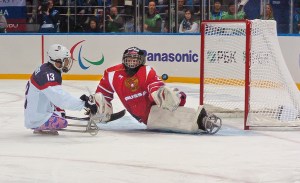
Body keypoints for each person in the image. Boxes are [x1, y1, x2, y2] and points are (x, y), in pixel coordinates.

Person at [89, 46, 222, 134]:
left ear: (141, 61)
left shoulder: (146, 70)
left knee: (170, 98)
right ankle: (100, 115)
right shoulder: (111, 73)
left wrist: (159, 94)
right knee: (99, 98)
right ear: (124, 60)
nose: (131, 63)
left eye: (135, 60)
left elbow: (154, 85)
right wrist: (96, 107)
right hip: (144, 116)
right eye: (129, 60)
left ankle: (200, 119)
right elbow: (103, 93)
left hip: (154, 108)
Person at [24, 44, 98, 135]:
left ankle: (40, 120)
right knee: (62, 122)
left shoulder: (47, 68)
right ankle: (38, 123)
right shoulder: (48, 75)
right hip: (36, 117)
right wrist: (83, 104)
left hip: (36, 111)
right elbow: (61, 99)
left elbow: (56, 97)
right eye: (66, 61)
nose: (68, 63)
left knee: (61, 112)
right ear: (57, 61)